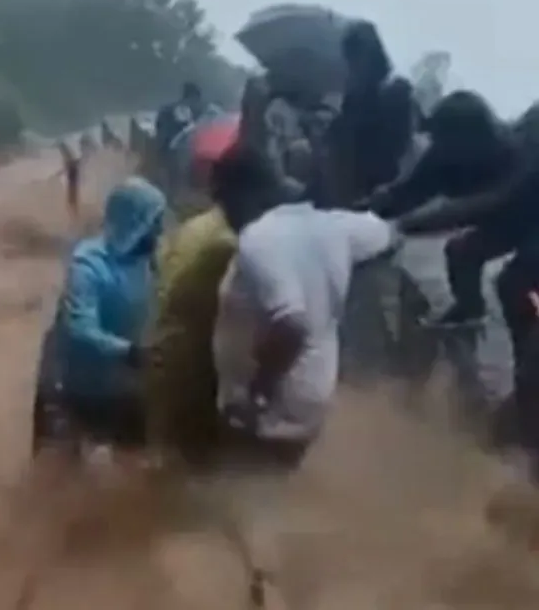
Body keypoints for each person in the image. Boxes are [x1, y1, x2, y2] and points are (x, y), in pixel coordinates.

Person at [208, 141, 398, 603]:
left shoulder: (260, 240)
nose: (224, 215)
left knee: (250, 513)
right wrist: (343, 291)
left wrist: (256, 393)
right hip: (313, 393)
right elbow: (392, 235)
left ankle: (265, 591)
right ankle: (286, 583)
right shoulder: (334, 226)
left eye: (224, 202)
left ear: (242, 193)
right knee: (271, 499)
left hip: (271, 402)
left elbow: (289, 324)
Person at [361, 90, 515, 328]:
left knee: (498, 269)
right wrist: (369, 209)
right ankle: (470, 309)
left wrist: (419, 221)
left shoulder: (512, 153)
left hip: (523, 215)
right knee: (462, 253)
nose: (438, 142)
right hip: (492, 213)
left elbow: (492, 202)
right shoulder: (442, 154)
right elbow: (411, 192)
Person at [49, 176, 166, 456]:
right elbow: (79, 325)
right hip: (85, 388)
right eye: (155, 222)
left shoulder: (149, 259)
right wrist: (129, 352)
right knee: (73, 474)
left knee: (136, 468)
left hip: (130, 385)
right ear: (137, 221)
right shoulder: (88, 264)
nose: (161, 230)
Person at [145, 120, 239, 468]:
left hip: (162, 360)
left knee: (165, 467)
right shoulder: (232, 239)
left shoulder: (186, 230)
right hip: (198, 371)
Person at [324, 20, 418, 208]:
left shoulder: (396, 92)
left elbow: (408, 148)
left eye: (358, 57)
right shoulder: (353, 98)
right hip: (356, 189)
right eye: (352, 59)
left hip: (388, 187)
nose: (355, 65)